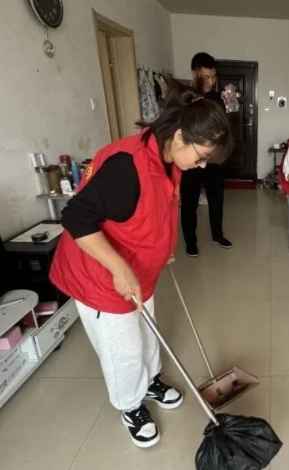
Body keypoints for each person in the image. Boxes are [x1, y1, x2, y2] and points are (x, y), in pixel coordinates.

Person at [49, 88, 232, 448]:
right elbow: (76, 216)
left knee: (147, 334)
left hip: (139, 269)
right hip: (100, 277)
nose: (203, 165)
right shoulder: (127, 165)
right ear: (179, 136)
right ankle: (130, 404)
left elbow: (152, 208)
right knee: (124, 349)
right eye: (202, 156)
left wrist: (159, 248)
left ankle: (148, 382)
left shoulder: (167, 156)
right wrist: (118, 267)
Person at [180, 52, 231, 258]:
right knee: (189, 202)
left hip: (214, 160)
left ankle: (217, 234)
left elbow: (223, 128)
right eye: (206, 77)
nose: (211, 81)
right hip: (191, 160)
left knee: (216, 198)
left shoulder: (216, 99)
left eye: (213, 77)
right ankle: (190, 241)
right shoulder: (184, 98)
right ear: (194, 73)